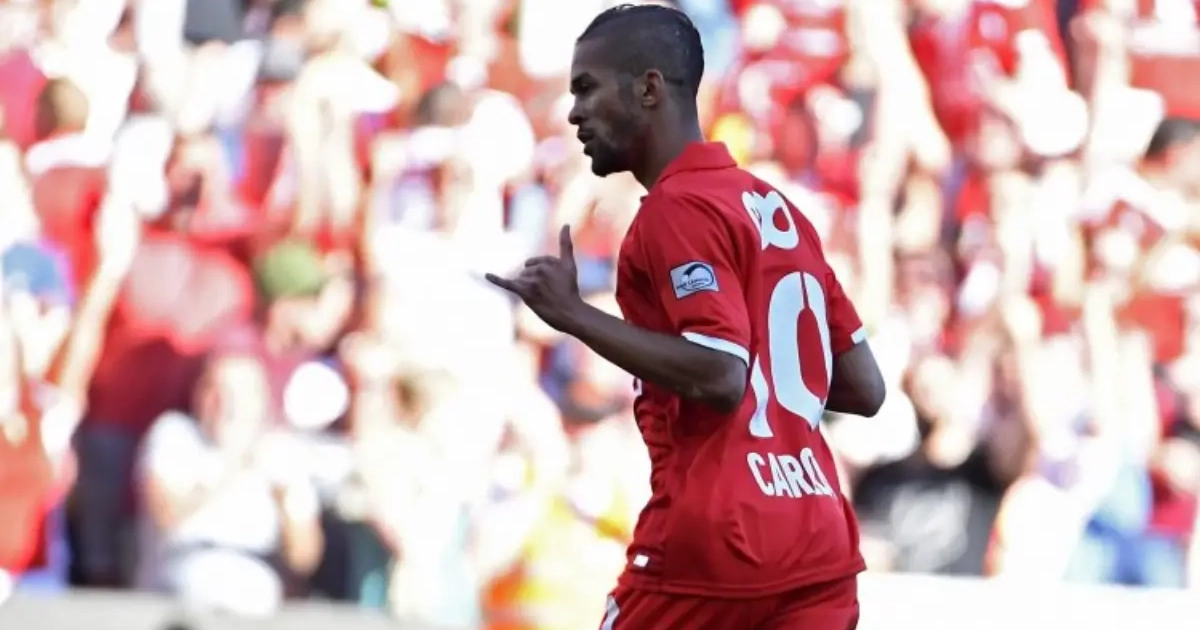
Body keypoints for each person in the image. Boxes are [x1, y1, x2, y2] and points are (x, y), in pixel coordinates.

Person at [485, 5, 885, 629]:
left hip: (717, 541)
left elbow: (722, 373)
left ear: (648, 88)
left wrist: (575, 316)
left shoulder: (674, 211)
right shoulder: (777, 209)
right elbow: (865, 387)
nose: (574, 113)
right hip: (817, 541)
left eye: (587, 89)